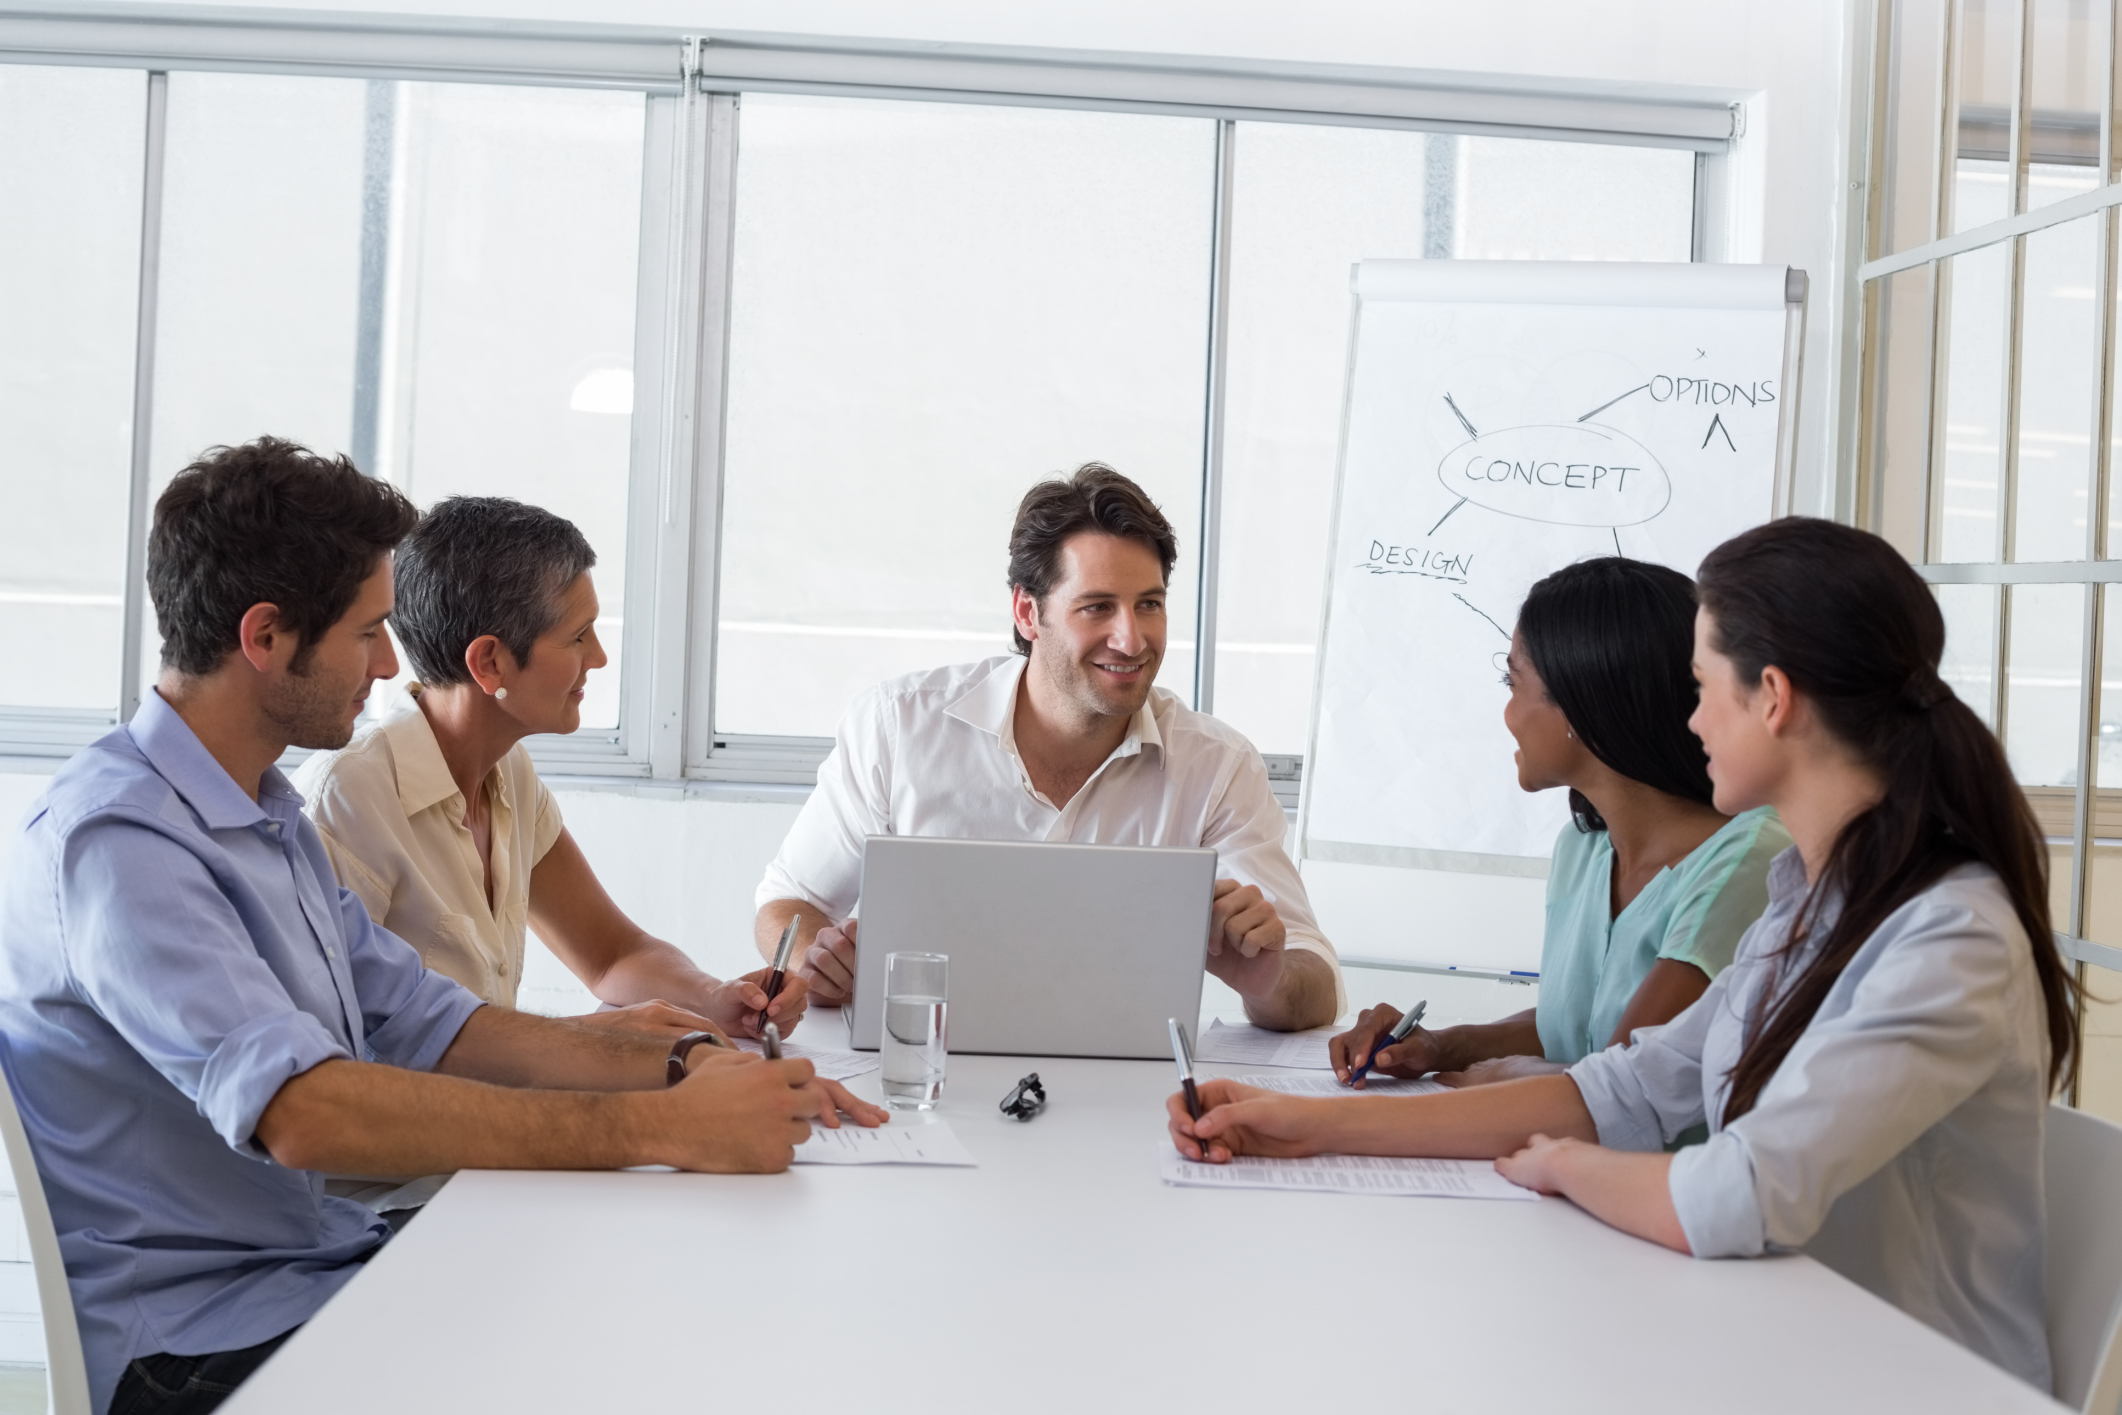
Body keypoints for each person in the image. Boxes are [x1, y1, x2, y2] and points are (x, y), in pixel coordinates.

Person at [0, 439, 883, 1415]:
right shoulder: (121, 843)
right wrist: (662, 1124)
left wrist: (672, 1060)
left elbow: (431, 1019)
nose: (388, 663)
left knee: (661, 1301)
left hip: (313, 1271)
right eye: (366, 632)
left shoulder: (262, 813)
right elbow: (305, 1113)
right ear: (264, 636)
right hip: (200, 1343)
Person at [1168, 518, 2077, 1389]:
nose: (1689, 722)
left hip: (1905, 1379)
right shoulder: (1810, 903)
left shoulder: (1949, 935)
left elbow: (1742, 1192)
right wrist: (1304, 1122)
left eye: (1704, 687)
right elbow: (1630, 1085)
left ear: (1773, 697)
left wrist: (1562, 1163)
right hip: (1780, 1337)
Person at [755, 463, 1343, 1030]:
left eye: (1149, 604)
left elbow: (1314, 982)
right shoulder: (898, 727)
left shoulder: (1218, 766)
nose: (1131, 638)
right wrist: (819, 960)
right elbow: (790, 900)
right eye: (1097, 607)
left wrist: (1264, 981)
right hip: (921, 1076)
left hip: (1127, 1100)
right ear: (1028, 612)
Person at [296, 496, 805, 1044]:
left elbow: (612, 954)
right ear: (490, 663)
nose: (601, 656)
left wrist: (715, 998)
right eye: (578, 636)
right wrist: (598, 1041)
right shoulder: (347, 800)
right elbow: (340, 1053)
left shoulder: (507, 771)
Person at [1330, 559, 1788, 1089]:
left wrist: (1505, 1078)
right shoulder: (1585, 849)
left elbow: (1621, 1087)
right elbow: (1579, 1030)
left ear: (1582, 703)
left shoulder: (1749, 862)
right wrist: (1441, 1046)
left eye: (1513, 681)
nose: (1506, 713)